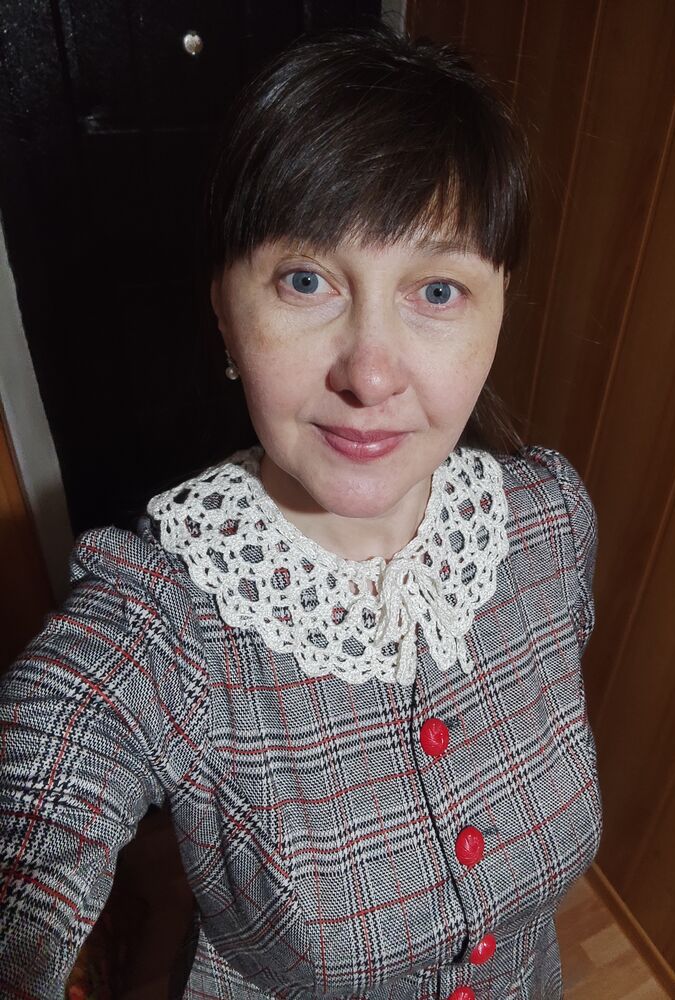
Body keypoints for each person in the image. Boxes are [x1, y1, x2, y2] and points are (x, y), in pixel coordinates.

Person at [0, 22, 601, 1000]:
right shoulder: (165, 609)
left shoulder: (549, 522)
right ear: (225, 313)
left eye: (437, 289)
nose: (370, 372)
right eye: (306, 280)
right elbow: (51, 764)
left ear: (500, 310)